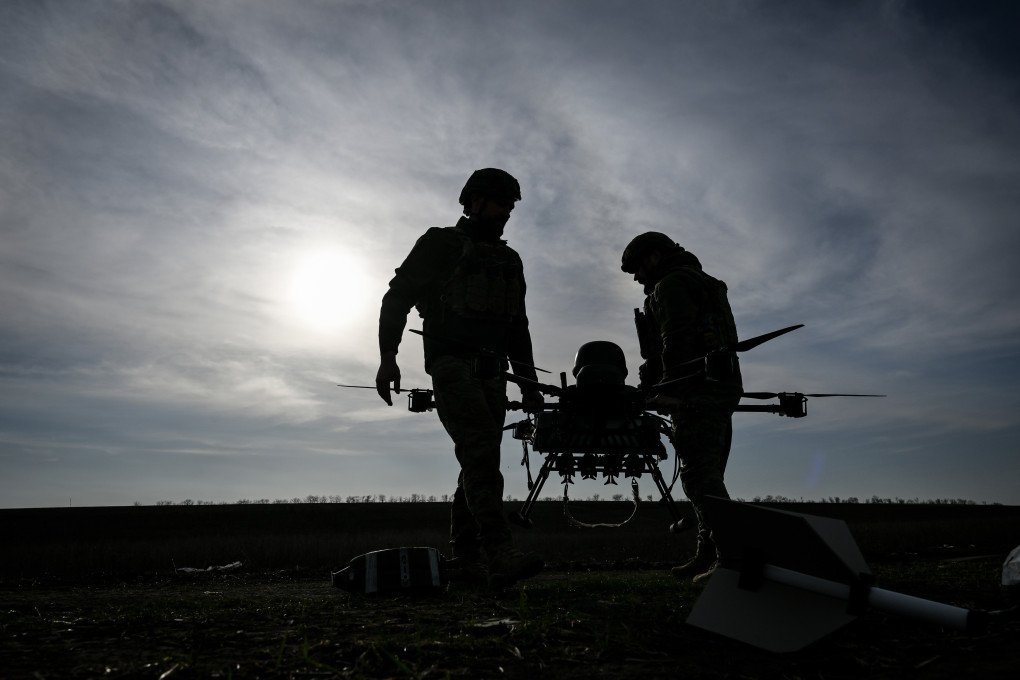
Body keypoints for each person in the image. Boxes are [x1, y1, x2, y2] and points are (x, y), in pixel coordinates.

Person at [375, 168, 545, 588]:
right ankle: (499, 551)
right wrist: (387, 357)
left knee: (476, 459)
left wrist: (528, 384)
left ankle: (466, 560)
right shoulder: (441, 244)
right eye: (498, 202)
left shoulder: (509, 260)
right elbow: (397, 297)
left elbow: (517, 328)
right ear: (473, 201)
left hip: (493, 373)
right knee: (481, 450)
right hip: (451, 365)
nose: (505, 212)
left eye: (510, 205)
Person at [621, 232, 743, 582]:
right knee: (708, 472)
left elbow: (676, 339)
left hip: (693, 391)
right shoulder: (705, 283)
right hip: (721, 386)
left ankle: (731, 557)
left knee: (698, 475)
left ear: (654, 257)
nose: (637, 278)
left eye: (638, 268)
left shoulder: (671, 285)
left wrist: (667, 387)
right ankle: (708, 553)